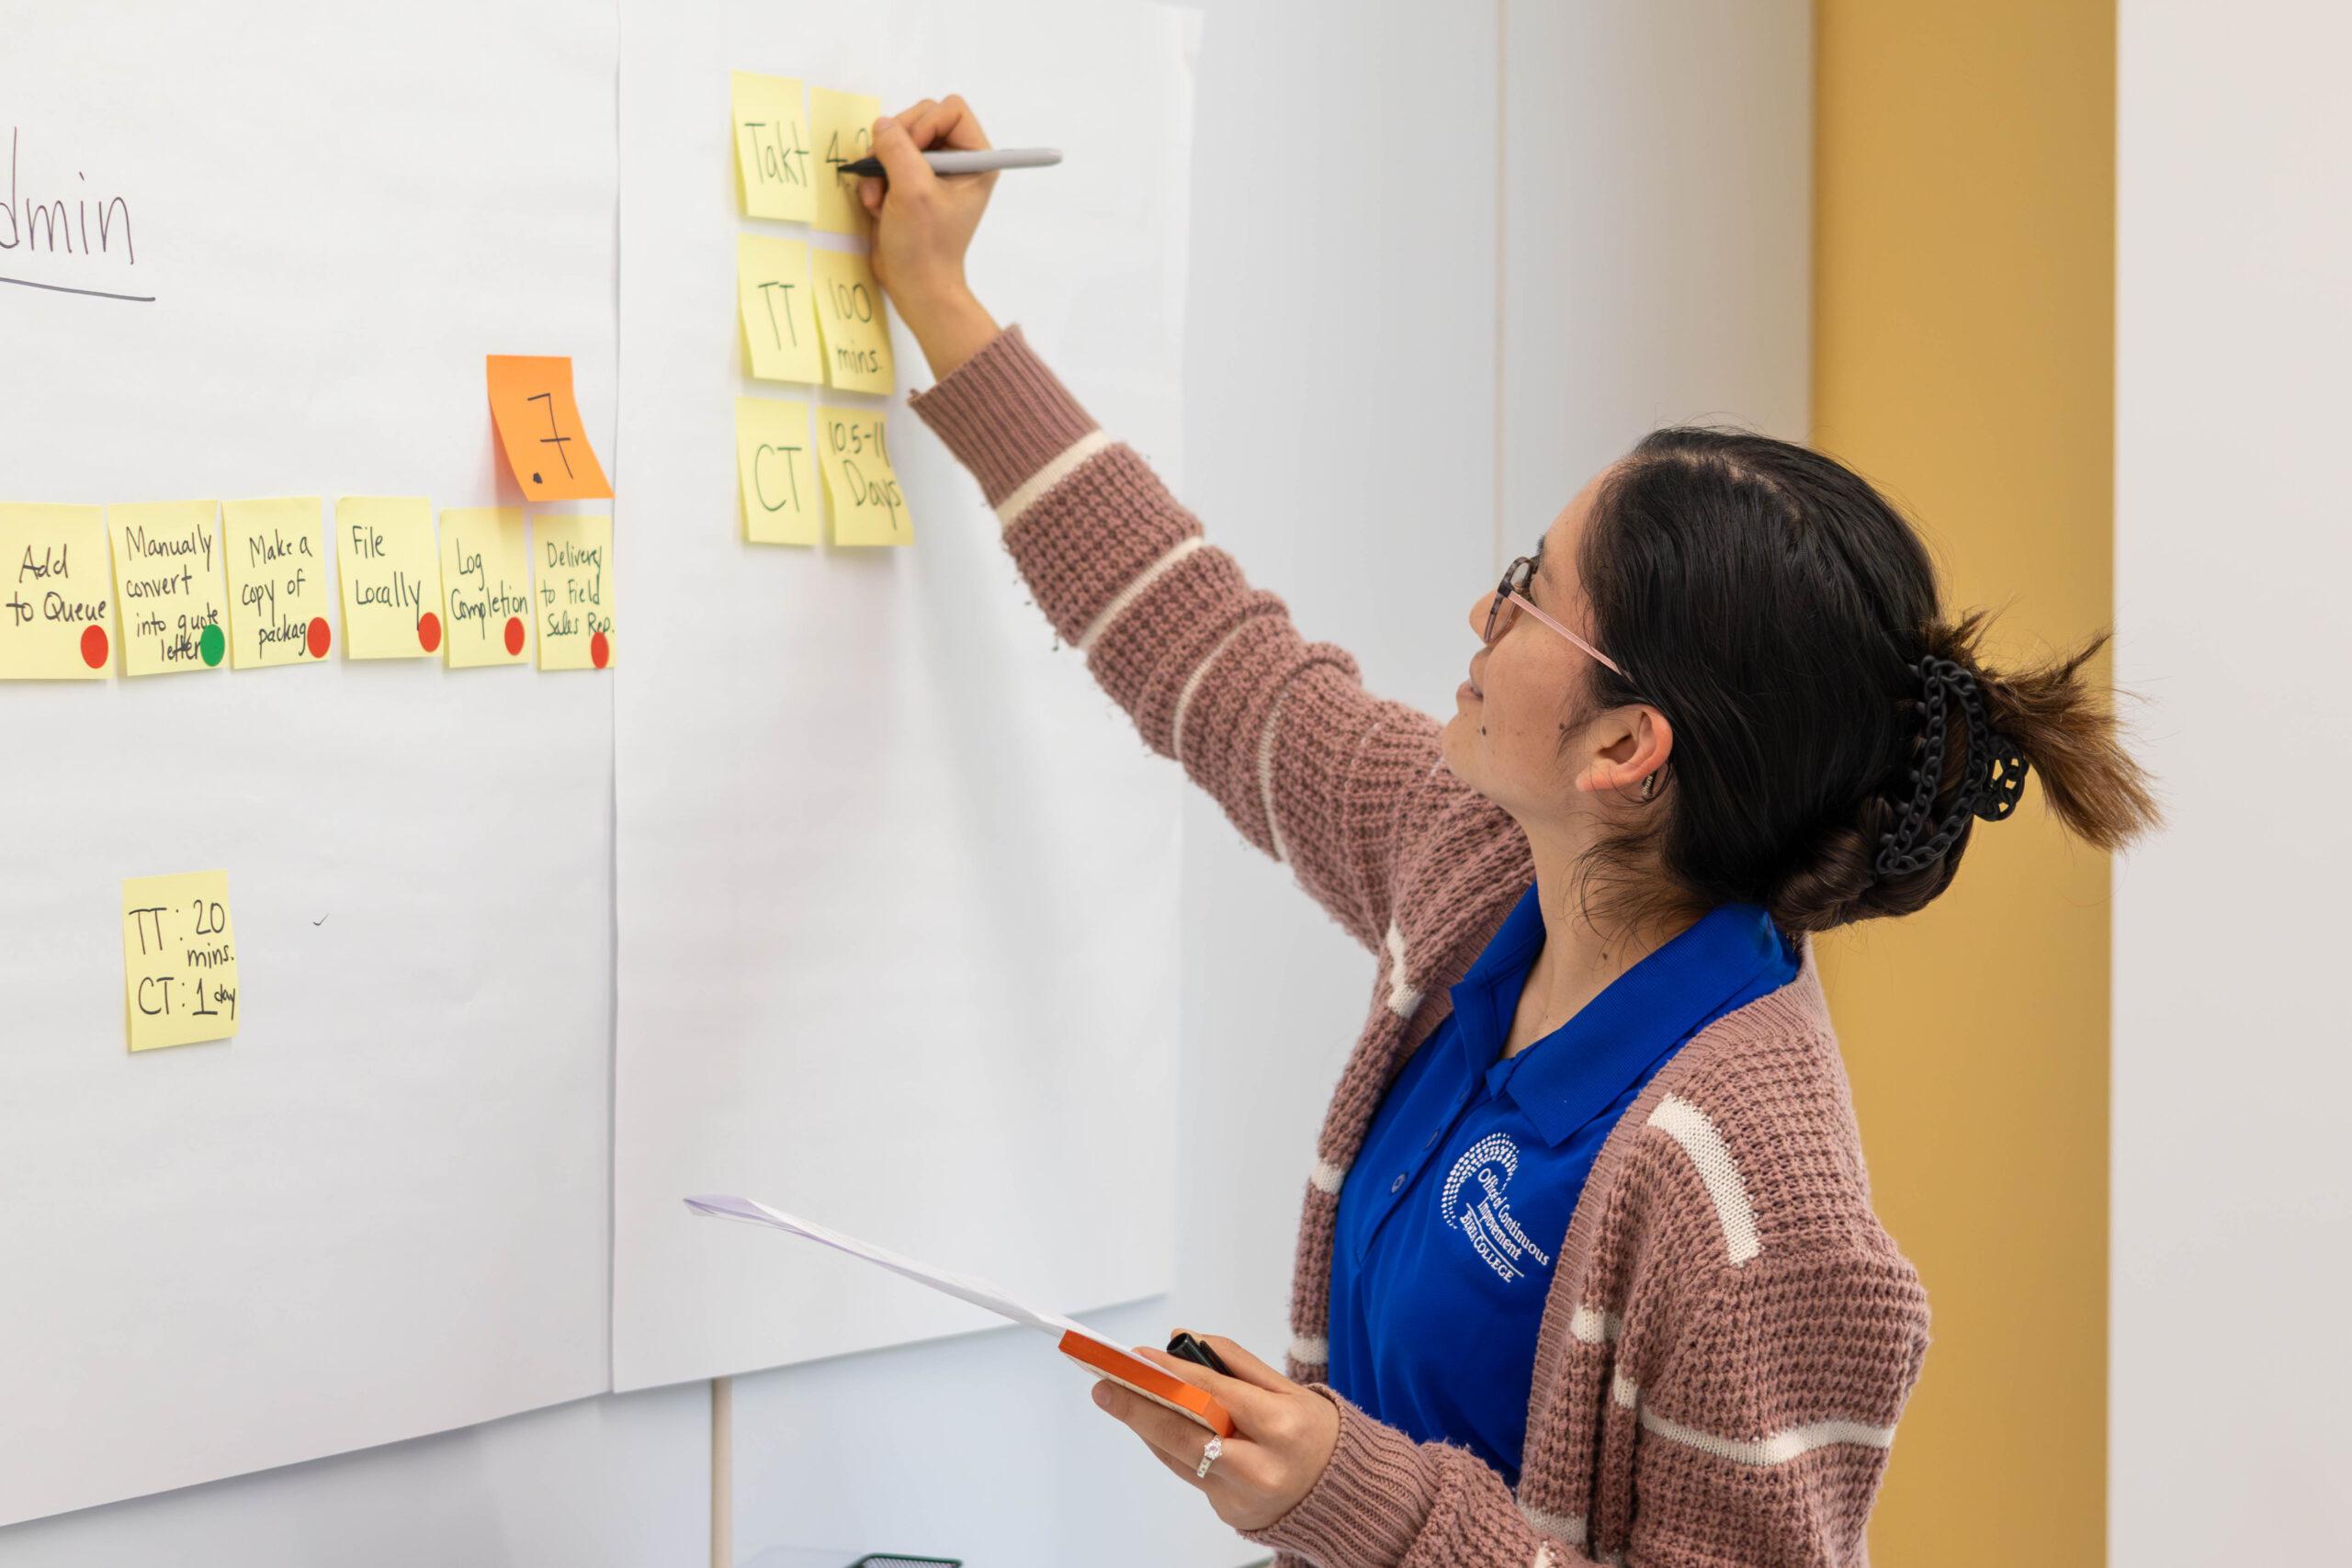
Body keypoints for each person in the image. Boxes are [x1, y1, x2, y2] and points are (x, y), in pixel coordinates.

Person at [857, 96, 2157, 1568]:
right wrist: (942, 299)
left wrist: (1348, 1491)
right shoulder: (1477, 872)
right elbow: (1208, 655)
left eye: (1532, 590)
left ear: (1624, 748)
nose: (1484, 611)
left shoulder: (1767, 1218)